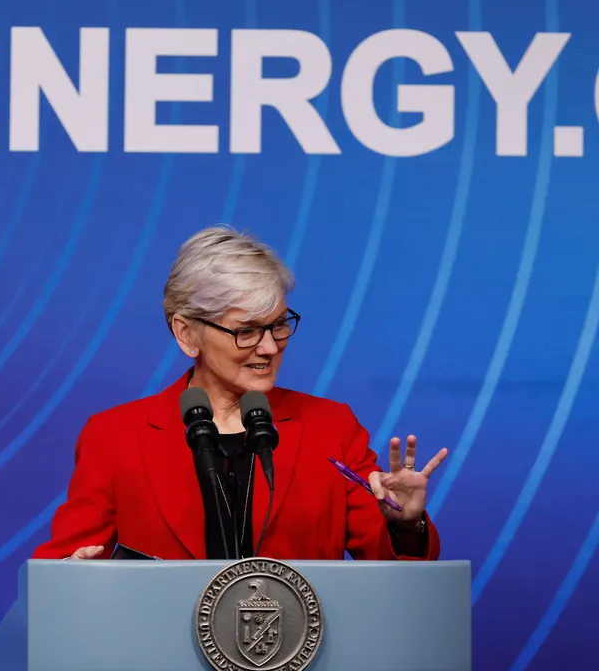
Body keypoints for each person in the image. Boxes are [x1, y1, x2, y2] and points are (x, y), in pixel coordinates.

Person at [31, 225, 448, 561]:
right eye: (246, 331)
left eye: (280, 325)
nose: (269, 347)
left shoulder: (330, 427)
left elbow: (393, 576)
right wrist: (72, 576)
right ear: (186, 332)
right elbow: (67, 564)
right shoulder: (116, 436)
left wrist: (405, 525)